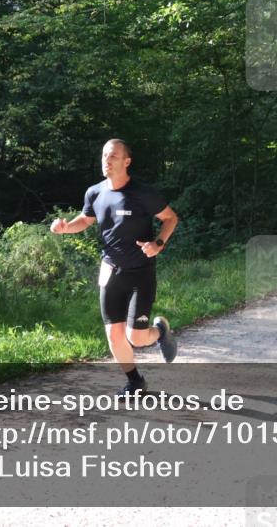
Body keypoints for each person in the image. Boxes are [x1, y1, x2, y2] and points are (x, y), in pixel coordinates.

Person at [50, 139, 179, 395]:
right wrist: (65, 228)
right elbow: (85, 220)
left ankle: (161, 331)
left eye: (113, 156)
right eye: (104, 156)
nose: (106, 161)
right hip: (110, 271)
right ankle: (135, 381)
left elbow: (170, 218)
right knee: (113, 334)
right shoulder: (95, 192)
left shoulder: (143, 193)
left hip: (140, 272)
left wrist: (158, 243)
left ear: (126, 161)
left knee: (137, 337)